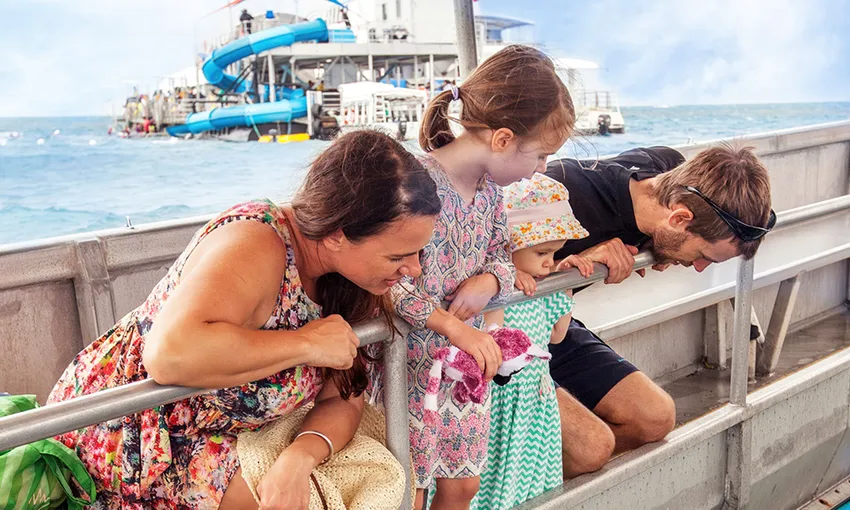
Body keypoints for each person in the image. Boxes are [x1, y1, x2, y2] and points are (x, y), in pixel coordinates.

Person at [47, 130, 442, 509]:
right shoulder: (256, 242)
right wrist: (306, 343)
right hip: (139, 434)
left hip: (232, 432)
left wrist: (300, 457)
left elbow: (344, 396)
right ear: (338, 234)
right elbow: (169, 354)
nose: (414, 270)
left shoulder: (353, 280)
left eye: (417, 254)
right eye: (397, 257)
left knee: (375, 482)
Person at [387, 44, 575, 510]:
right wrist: (450, 324)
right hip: (408, 367)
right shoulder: (415, 185)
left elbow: (503, 258)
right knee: (410, 486)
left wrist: (491, 280)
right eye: (540, 156)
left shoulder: (491, 194)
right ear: (504, 139)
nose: (542, 169)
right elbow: (387, 281)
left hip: (466, 368)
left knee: (463, 485)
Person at [520, 144, 774, 477]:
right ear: (680, 218)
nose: (697, 267)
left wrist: (658, 245)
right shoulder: (562, 193)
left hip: (555, 325)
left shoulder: (668, 168)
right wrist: (567, 268)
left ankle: (533, 470)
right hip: (505, 332)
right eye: (703, 256)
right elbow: (481, 275)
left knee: (654, 417)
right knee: (591, 449)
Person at [472, 173, 593, 510]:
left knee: (533, 482)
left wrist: (563, 282)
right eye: (542, 252)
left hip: (537, 401)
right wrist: (505, 278)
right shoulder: (493, 289)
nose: (548, 262)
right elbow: (490, 331)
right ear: (509, 245)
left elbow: (557, 334)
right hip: (504, 401)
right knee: (497, 482)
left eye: (555, 253)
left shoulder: (539, 286)